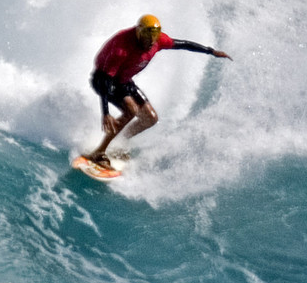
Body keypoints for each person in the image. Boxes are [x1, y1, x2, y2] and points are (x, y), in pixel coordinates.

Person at [87, 14, 230, 173]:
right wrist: (106, 113)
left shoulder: (158, 40)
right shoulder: (122, 48)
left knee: (150, 118)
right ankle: (99, 152)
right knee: (131, 111)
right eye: (147, 37)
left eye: (154, 37)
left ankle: (118, 144)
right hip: (104, 80)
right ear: (139, 33)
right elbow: (106, 80)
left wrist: (211, 51)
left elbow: (182, 44)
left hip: (124, 81)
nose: (151, 42)